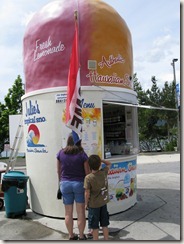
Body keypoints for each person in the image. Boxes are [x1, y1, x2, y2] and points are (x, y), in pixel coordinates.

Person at [56, 131, 90, 240]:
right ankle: (81, 235)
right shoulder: (82, 154)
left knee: (68, 212)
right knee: (80, 212)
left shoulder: (60, 153)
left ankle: (71, 235)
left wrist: (60, 183)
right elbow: (87, 173)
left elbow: (58, 171)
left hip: (65, 184)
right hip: (79, 184)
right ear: (78, 142)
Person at [84, 154, 111, 240]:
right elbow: (109, 163)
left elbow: (87, 193)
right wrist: (101, 160)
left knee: (94, 226)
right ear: (99, 165)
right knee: (104, 224)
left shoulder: (88, 178)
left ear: (89, 165)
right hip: (103, 203)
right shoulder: (104, 172)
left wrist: (86, 204)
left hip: (93, 205)